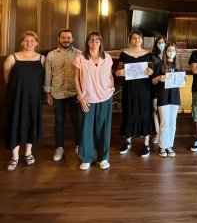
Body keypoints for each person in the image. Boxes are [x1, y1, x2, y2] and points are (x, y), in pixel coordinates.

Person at [3, 31, 45, 171]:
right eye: (26, 40)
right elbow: (7, 77)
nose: (29, 43)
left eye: (32, 40)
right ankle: (14, 156)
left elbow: (45, 78)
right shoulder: (12, 57)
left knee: (31, 122)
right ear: (21, 42)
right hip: (16, 97)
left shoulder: (42, 59)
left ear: (36, 43)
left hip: (34, 98)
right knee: (15, 122)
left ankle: (28, 152)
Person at [74, 31, 114, 170]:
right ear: (87, 42)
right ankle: (86, 158)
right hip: (88, 99)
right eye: (91, 40)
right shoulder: (80, 58)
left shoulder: (107, 57)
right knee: (86, 129)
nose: (94, 42)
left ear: (101, 42)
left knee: (104, 129)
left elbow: (110, 75)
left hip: (105, 98)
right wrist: (81, 97)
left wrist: (112, 88)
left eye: (97, 40)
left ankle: (103, 158)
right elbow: (76, 79)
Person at [44, 29, 82, 161]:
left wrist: (82, 93)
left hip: (74, 93)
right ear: (58, 39)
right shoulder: (51, 55)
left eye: (69, 37)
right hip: (57, 93)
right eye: (64, 37)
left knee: (77, 121)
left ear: (73, 39)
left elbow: (84, 75)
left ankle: (79, 146)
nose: (66, 40)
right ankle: (59, 147)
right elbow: (48, 74)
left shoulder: (80, 54)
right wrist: (48, 93)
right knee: (59, 121)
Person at [116, 30, 154, 157]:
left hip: (144, 88)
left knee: (145, 112)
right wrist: (119, 73)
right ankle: (128, 141)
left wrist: (151, 72)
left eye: (139, 37)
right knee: (129, 111)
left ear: (142, 40)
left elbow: (153, 72)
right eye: (133, 38)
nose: (136, 40)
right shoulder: (124, 54)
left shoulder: (149, 54)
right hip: (129, 88)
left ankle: (146, 143)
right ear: (129, 40)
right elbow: (118, 71)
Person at [152, 43, 186, 157]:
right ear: (166, 52)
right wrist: (158, 78)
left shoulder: (178, 65)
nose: (171, 52)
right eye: (169, 50)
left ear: (176, 52)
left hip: (174, 97)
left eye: (173, 50)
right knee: (164, 123)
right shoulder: (160, 65)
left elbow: (181, 80)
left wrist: (183, 78)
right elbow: (153, 81)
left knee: (172, 123)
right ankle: (162, 146)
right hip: (163, 97)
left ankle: (169, 145)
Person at [151, 35, 166, 144]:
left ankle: (163, 133)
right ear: (156, 44)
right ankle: (157, 133)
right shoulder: (152, 57)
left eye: (163, 42)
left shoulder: (170, 55)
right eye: (159, 42)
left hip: (167, 88)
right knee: (155, 110)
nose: (161, 44)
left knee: (164, 111)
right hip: (155, 85)